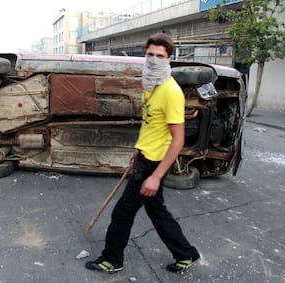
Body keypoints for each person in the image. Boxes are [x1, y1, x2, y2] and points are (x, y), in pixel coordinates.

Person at [85, 33, 200, 274]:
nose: (154, 59)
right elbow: (151, 124)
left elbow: (178, 140)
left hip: (155, 161)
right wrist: (139, 147)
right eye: (150, 54)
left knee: (122, 213)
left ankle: (112, 259)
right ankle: (185, 253)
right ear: (144, 55)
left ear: (169, 59)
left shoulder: (170, 91)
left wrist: (156, 176)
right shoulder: (150, 83)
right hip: (146, 154)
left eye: (160, 56)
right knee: (156, 209)